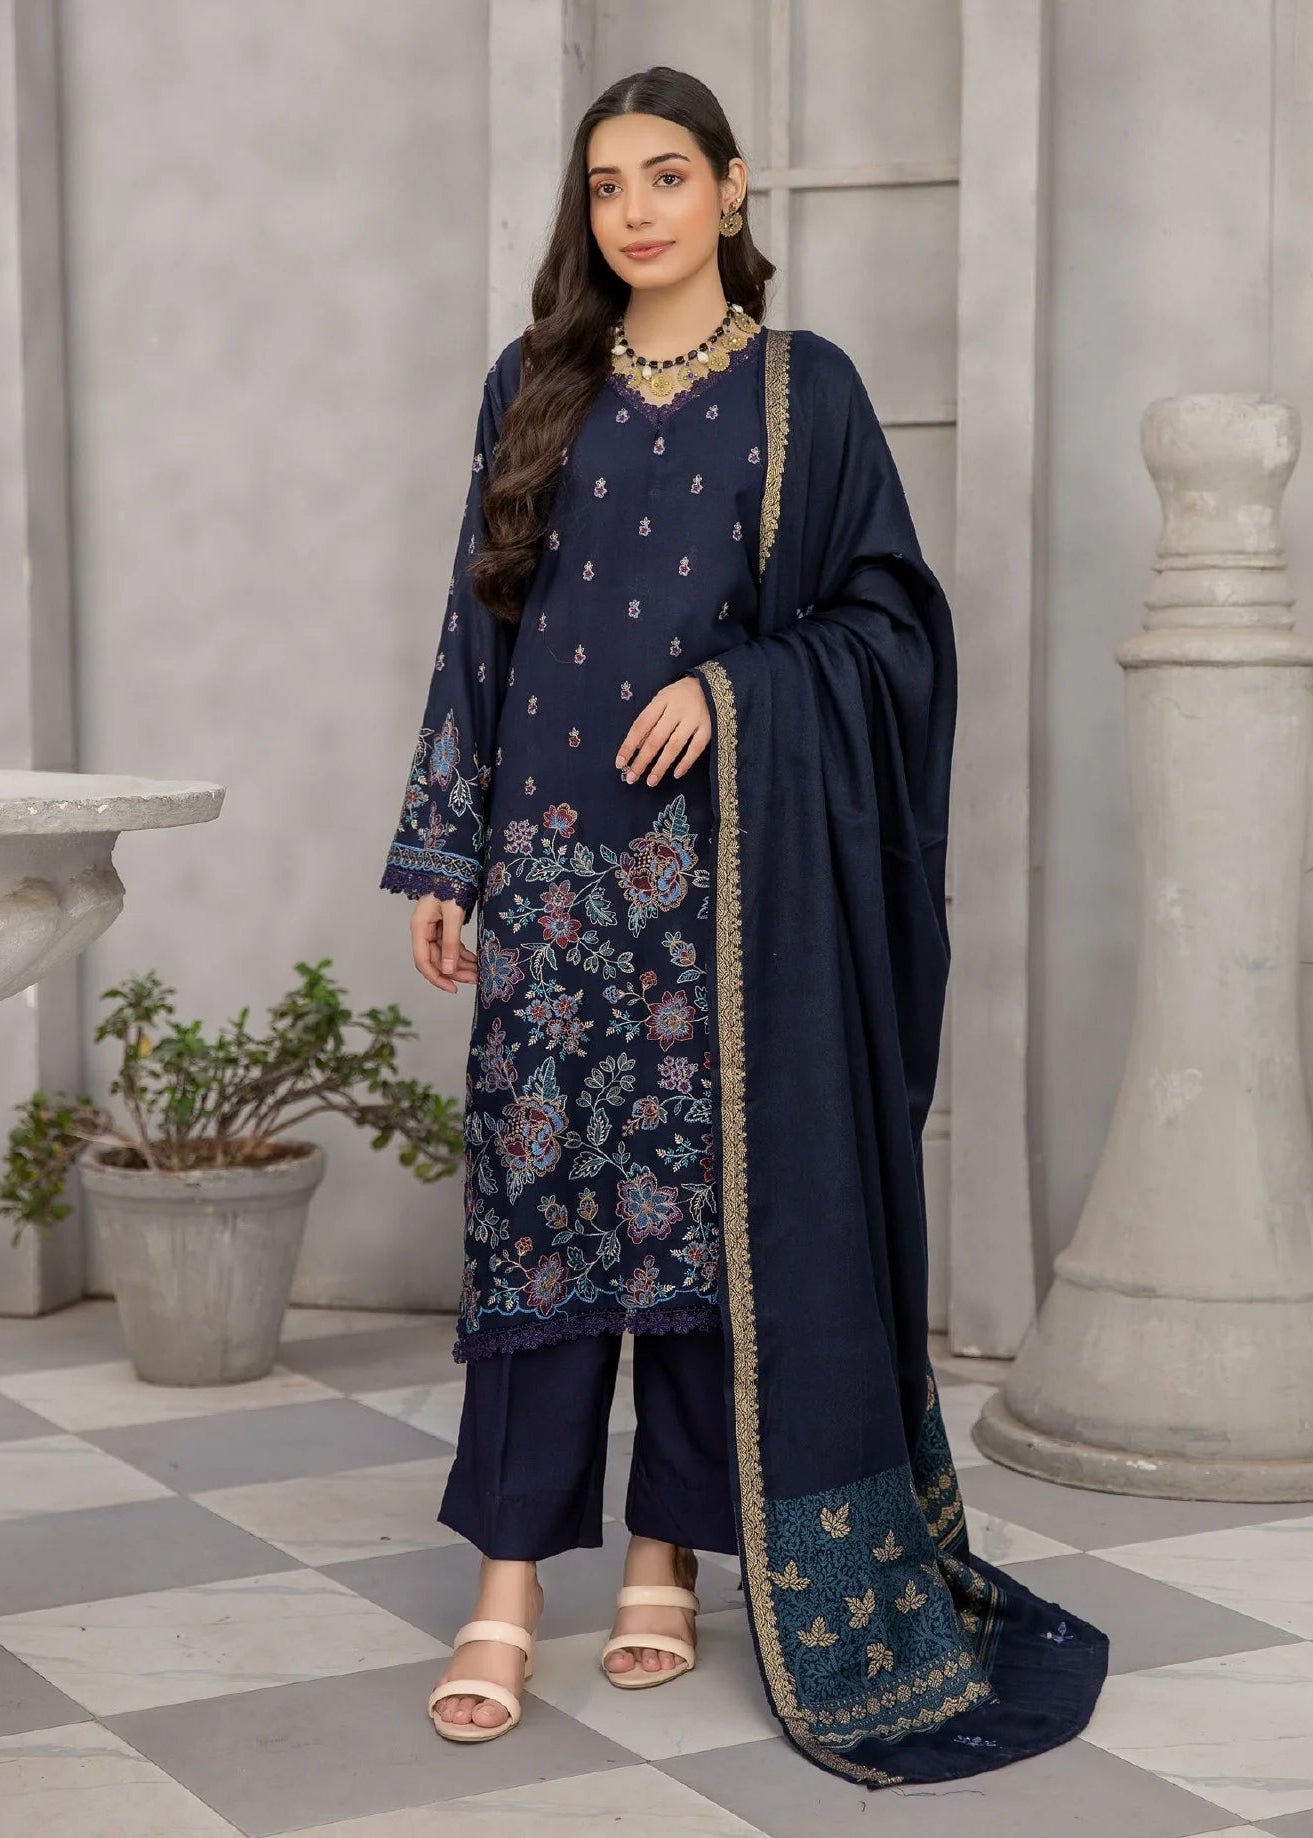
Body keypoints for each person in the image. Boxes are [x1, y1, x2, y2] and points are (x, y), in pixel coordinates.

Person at [380, 64, 1110, 1786]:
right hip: (557, 880)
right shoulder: (534, 383)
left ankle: (664, 1557)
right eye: (607, 185)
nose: (633, 210)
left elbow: (890, 624)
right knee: (541, 1234)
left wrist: (739, 686)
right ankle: (505, 1583)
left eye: (665, 176)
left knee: (702, 1246)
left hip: (718, 892)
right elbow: (476, 627)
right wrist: (444, 856)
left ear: (731, 187)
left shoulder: (805, 394)